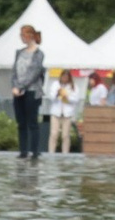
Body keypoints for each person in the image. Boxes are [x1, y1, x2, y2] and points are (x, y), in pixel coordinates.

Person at [10, 24, 45, 160]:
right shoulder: (19, 52)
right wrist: (14, 86)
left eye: (23, 35)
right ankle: (23, 150)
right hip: (18, 91)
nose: (22, 38)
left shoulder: (38, 54)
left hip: (32, 91)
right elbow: (14, 72)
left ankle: (35, 151)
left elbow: (34, 73)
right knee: (21, 122)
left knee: (32, 122)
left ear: (30, 36)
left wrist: (21, 87)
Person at [50, 69, 81, 153]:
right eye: (63, 77)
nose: (64, 79)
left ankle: (65, 153)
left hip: (67, 114)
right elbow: (51, 98)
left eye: (66, 77)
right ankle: (51, 152)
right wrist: (57, 94)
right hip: (56, 113)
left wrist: (67, 97)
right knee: (54, 134)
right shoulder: (55, 84)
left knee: (65, 135)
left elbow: (76, 99)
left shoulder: (73, 86)